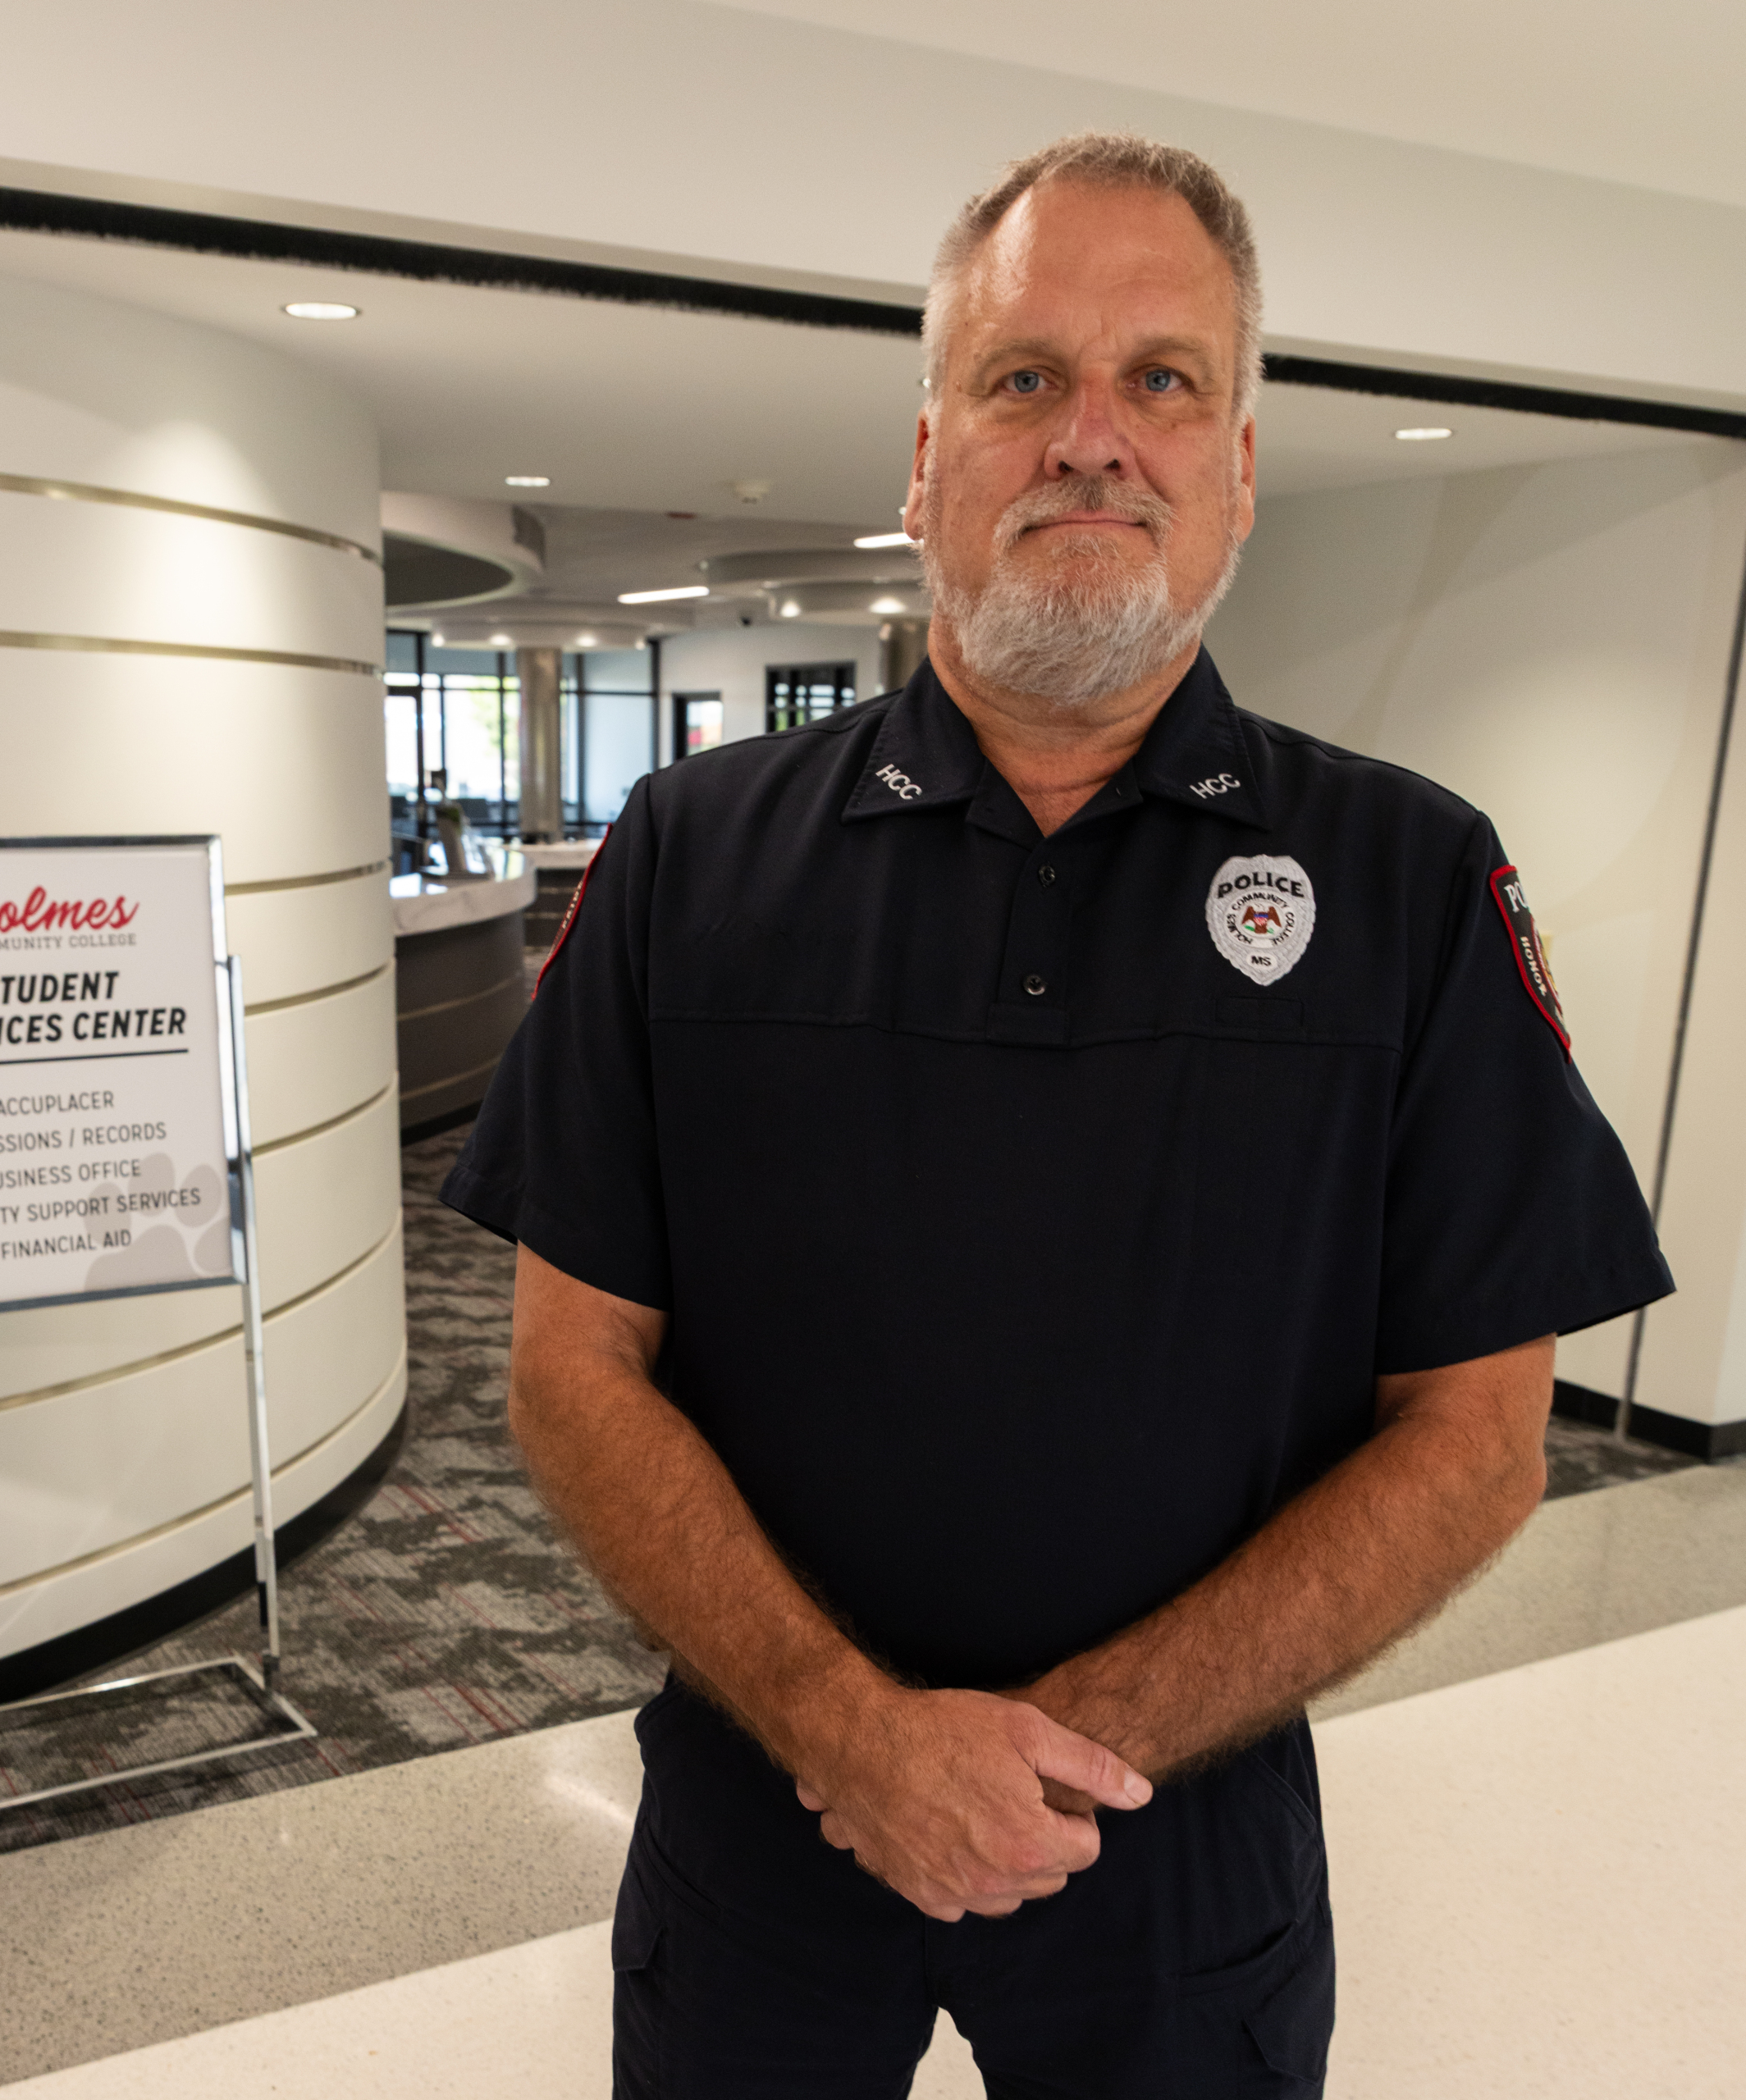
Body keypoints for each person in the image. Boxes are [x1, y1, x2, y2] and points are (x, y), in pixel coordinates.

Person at [441, 131, 1672, 2098]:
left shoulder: (1410, 880)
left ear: (1237, 467)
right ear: (927, 456)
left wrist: (1069, 1748)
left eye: (1162, 379)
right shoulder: (693, 855)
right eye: (1025, 376)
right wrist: (850, 1730)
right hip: (769, 1814)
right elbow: (571, 1364)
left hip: (1179, 1846)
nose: (1093, 436)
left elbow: (1479, 1428)